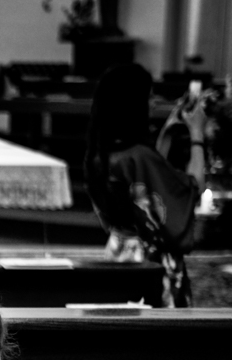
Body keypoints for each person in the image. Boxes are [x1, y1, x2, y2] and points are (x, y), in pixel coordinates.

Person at [84, 63, 206, 307]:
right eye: (148, 97)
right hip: (149, 264)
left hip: (118, 251)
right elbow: (193, 187)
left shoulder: (101, 154)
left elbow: (149, 182)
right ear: (131, 104)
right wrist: (197, 134)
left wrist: (169, 131)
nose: (153, 103)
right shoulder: (139, 156)